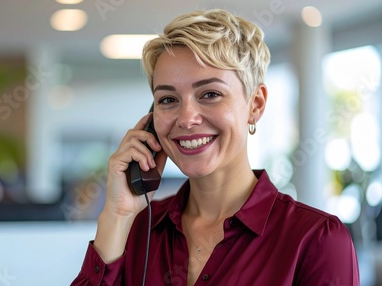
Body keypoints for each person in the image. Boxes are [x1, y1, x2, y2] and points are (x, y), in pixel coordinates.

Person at [71, 9, 360, 286]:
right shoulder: (137, 230)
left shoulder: (315, 239)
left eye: (210, 94)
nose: (186, 119)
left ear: (255, 104)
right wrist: (118, 216)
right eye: (168, 100)